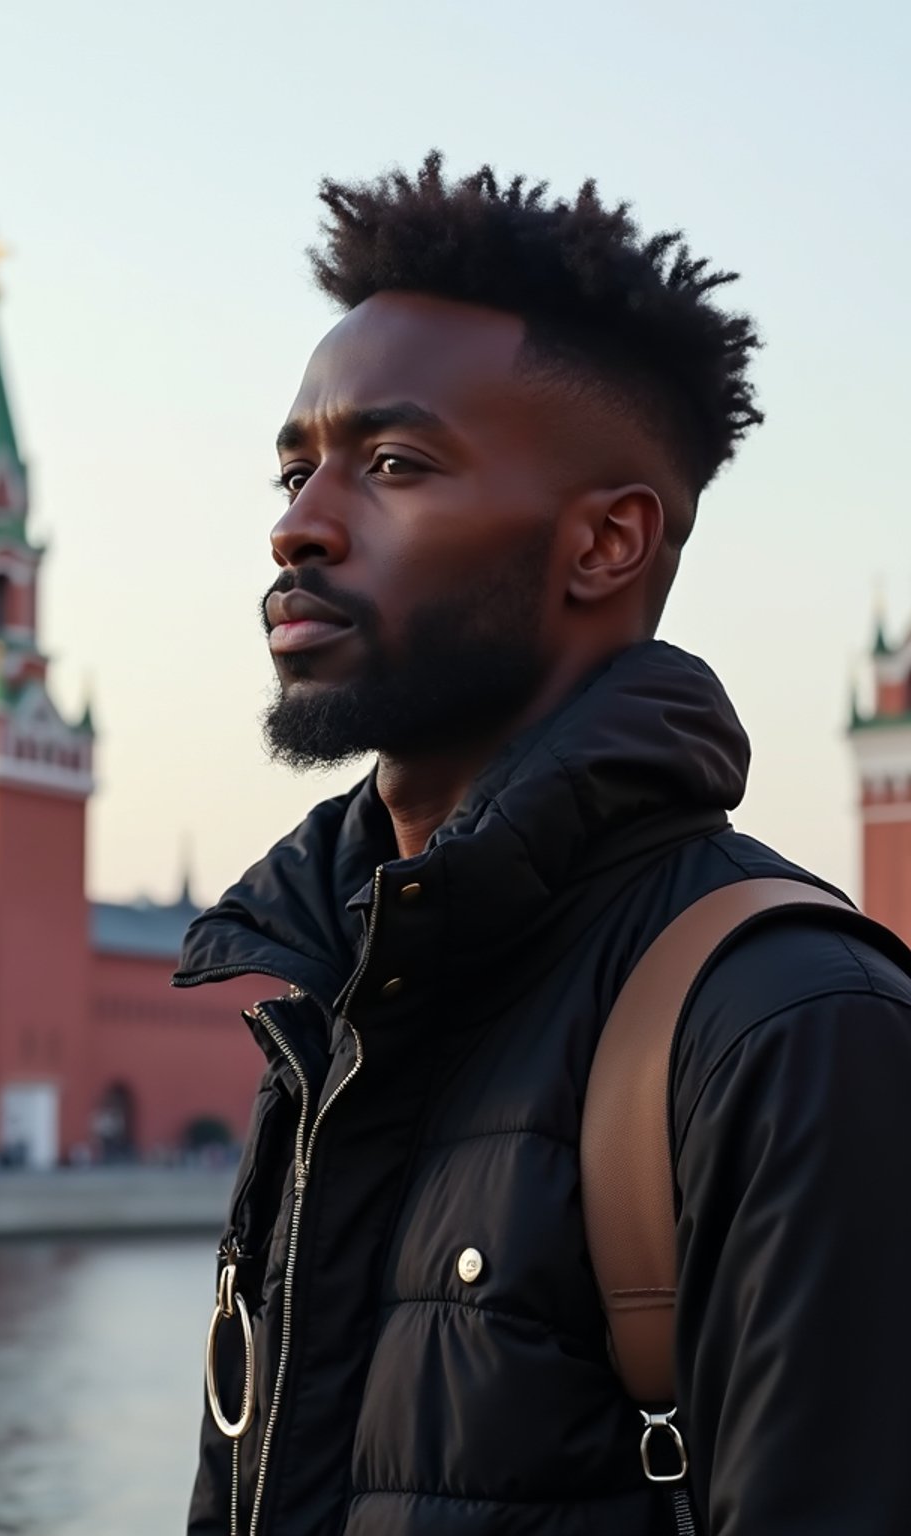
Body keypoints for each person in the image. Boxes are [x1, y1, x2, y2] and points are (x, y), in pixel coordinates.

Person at [175, 153, 911, 1535]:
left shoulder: (792, 1027)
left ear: (606, 544)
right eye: (294, 467)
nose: (298, 524)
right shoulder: (328, 1013)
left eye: (391, 464)